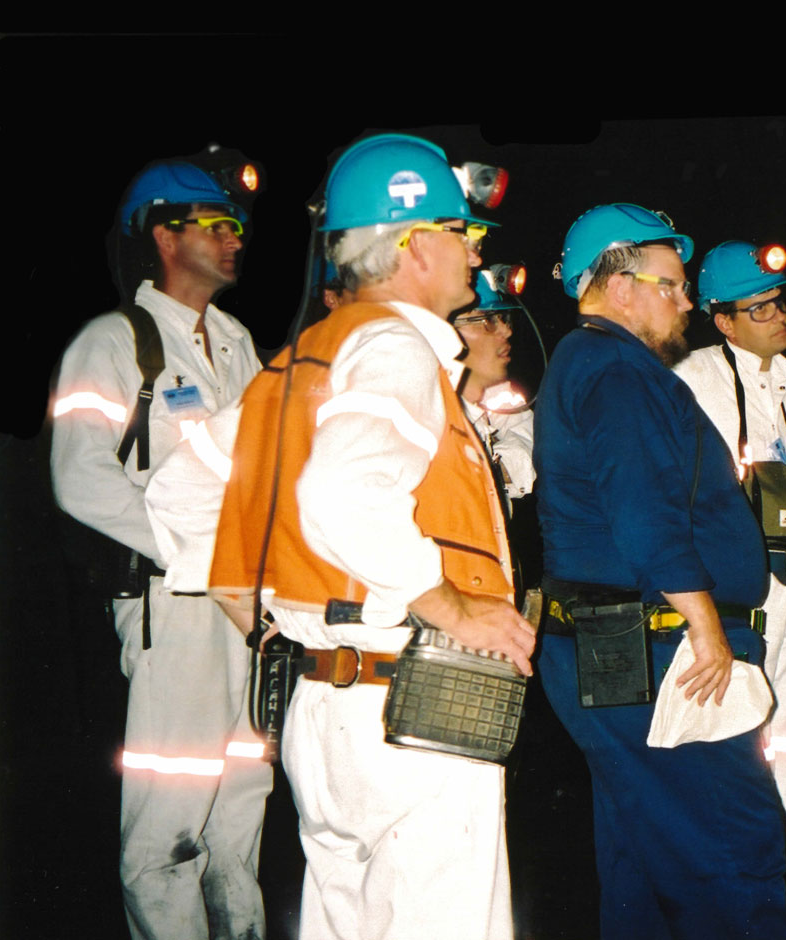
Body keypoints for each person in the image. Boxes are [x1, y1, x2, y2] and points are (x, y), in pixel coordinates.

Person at [197, 133, 535, 939]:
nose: (472, 252)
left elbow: (183, 492)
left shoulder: (301, 359)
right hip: (411, 708)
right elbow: (346, 493)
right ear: (415, 246)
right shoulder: (394, 347)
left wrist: (254, 612)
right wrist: (455, 608)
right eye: (462, 234)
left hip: (326, 707)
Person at [534, 203, 786, 939]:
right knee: (732, 849)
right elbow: (643, 512)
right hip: (661, 651)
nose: (686, 301)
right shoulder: (617, 369)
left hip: (620, 647)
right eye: (672, 285)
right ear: (620, 287)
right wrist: (706, 627)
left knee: (642, 859)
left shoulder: (590, 363)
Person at [50, 159, 272, 940]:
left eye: (237, 224)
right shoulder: (113, 345)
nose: (234, 236)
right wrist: (196, 559)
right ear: (163, 235)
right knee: (169, 826)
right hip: (174, 607)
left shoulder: (240, 343)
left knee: (240, 810)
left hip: (249, 610)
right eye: (215, 222)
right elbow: (82, 479)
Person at [673, 239, 786, 823]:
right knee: (734, 731)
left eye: (778, 303)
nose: (778, 315)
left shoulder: (785, 384)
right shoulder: (698, 377)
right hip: (735, 588)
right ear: (724, 323)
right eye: (758, 308)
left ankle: (771, 850)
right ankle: (732, 870)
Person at [449, 265, 535, 503]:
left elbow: (529, 434)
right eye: (487, 320)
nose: (506, 330)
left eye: (503, 318)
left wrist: (493, 467)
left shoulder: (491, 388)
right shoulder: (420, 407)